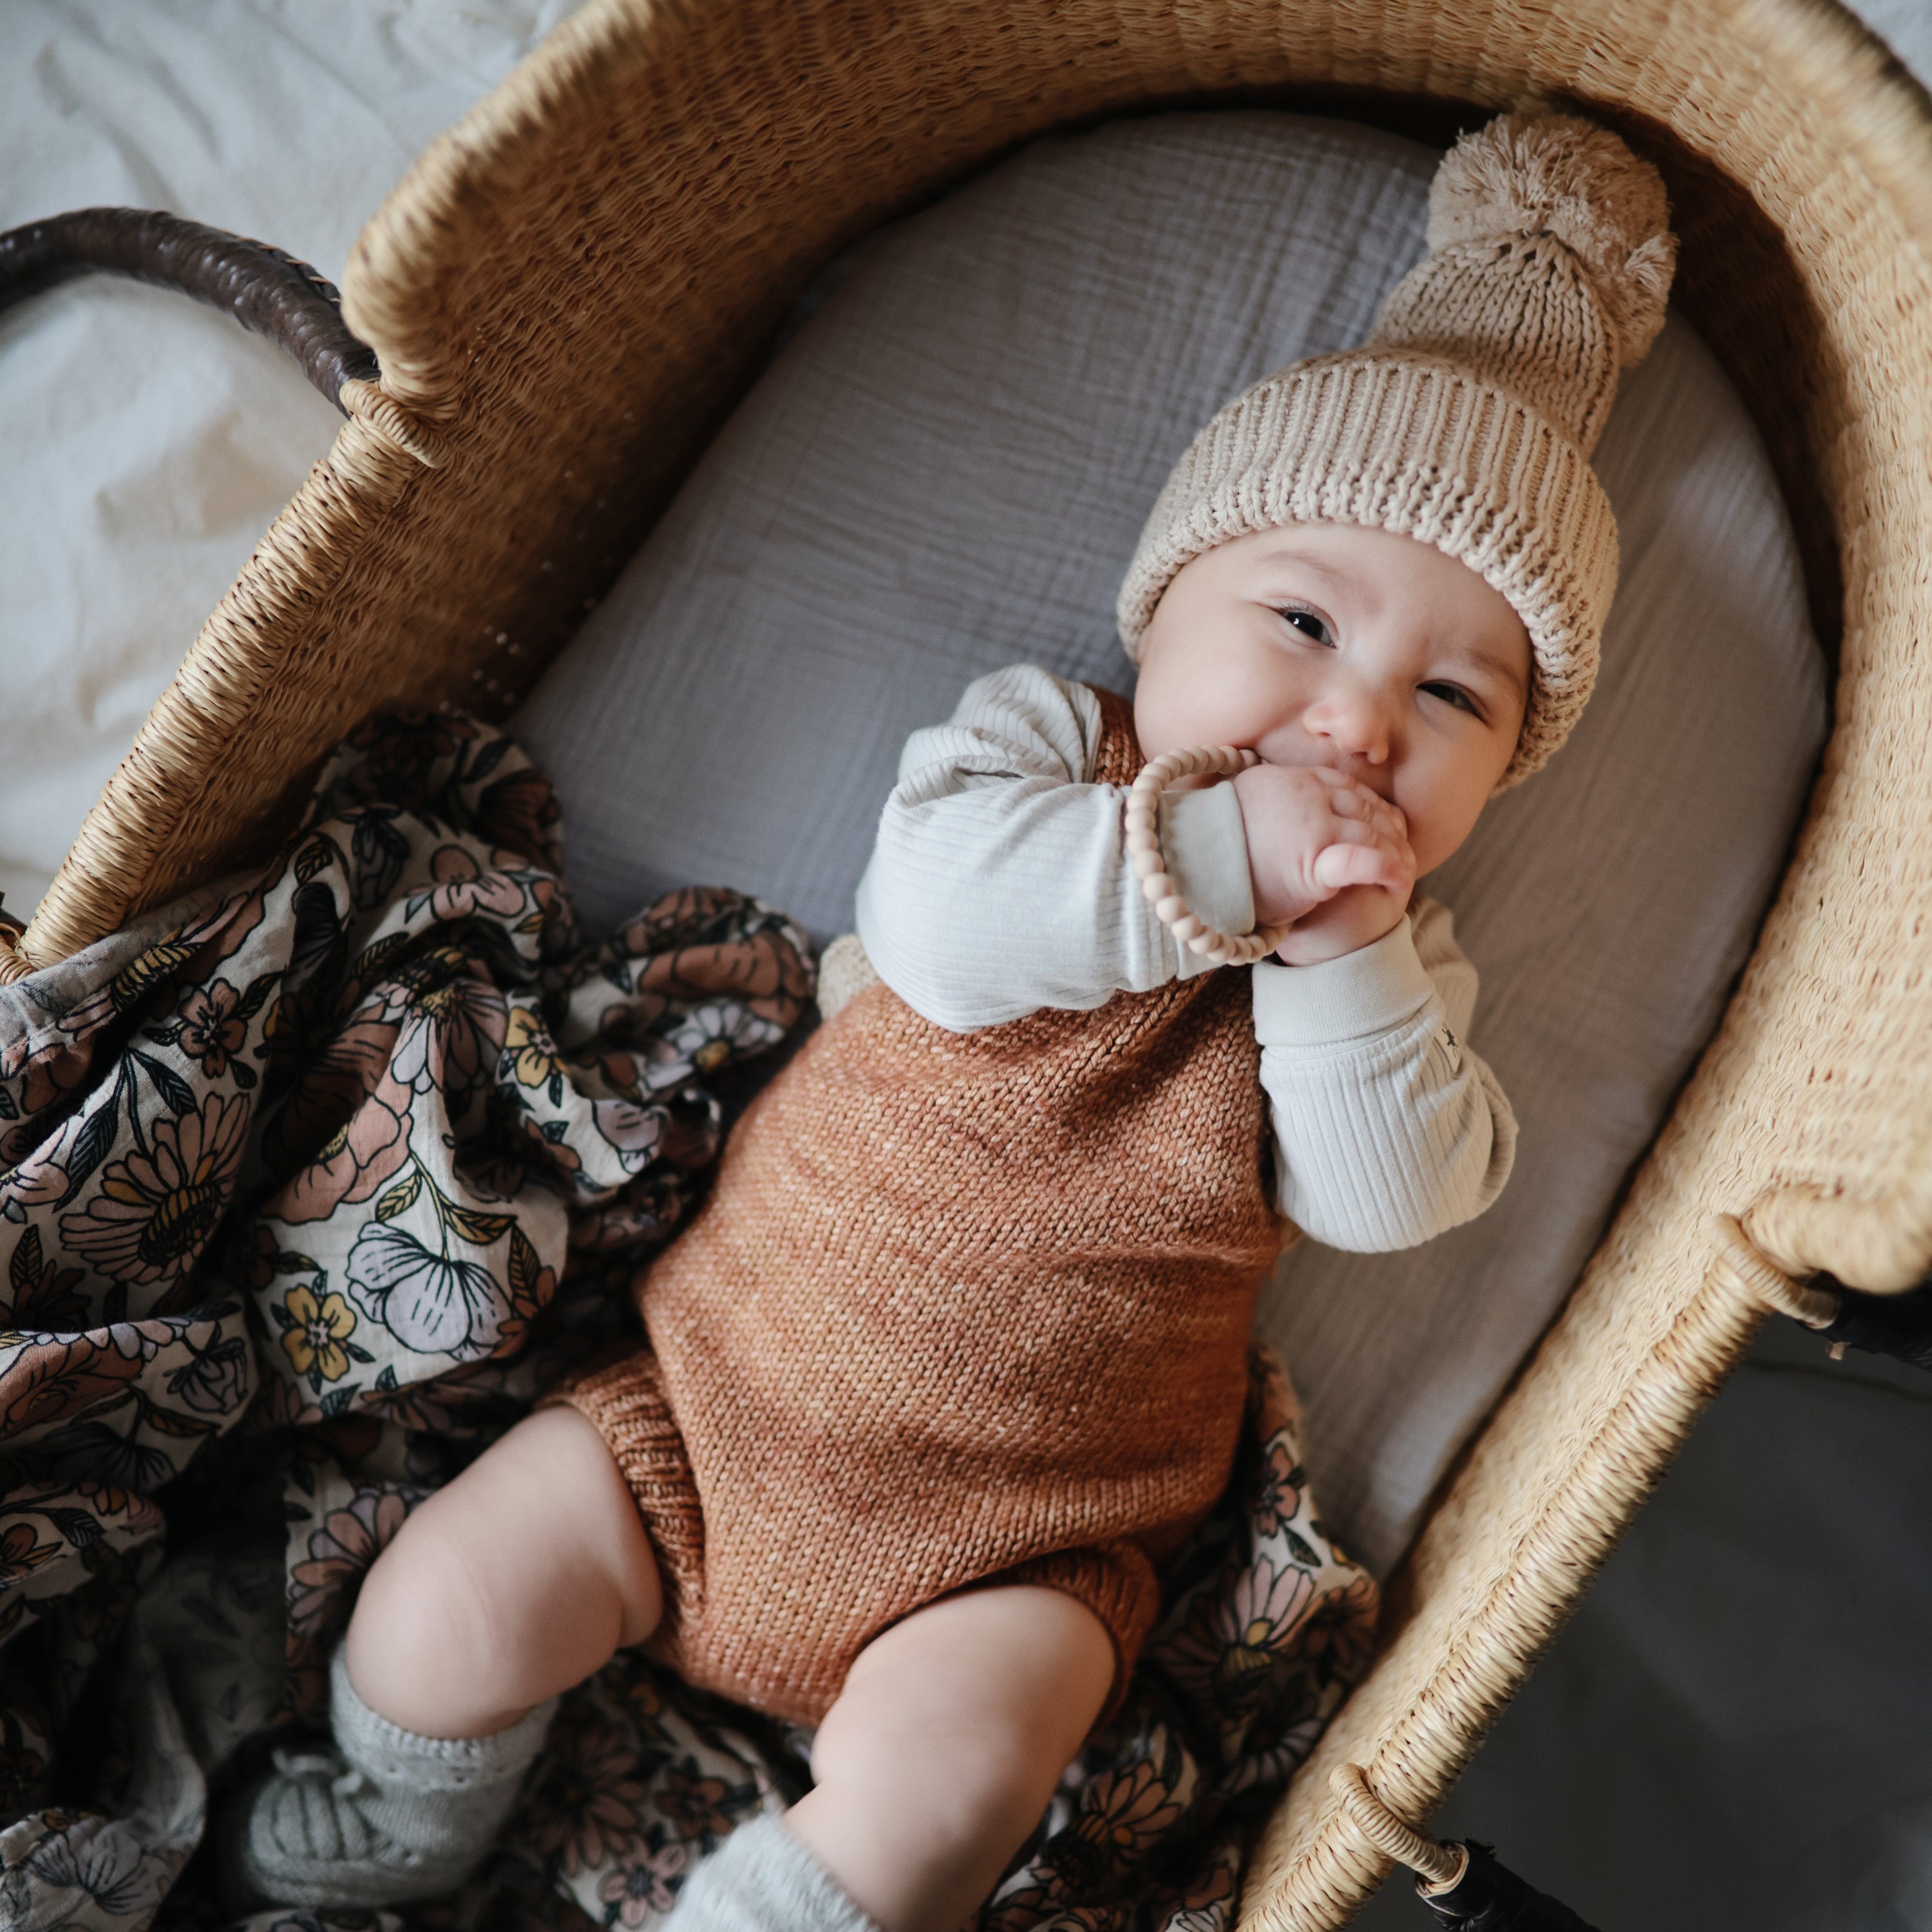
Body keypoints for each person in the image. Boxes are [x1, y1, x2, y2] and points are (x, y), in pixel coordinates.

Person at [225, 111, 1675, 1932]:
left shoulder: (1399, 967)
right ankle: (401, 1808)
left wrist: (1339, 955)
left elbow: (1390, 1194)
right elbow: (939, 923)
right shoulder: (1047, 752)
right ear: (1166, 606)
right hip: (701, 1421)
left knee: (959, 1794)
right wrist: (1221, 855)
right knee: (450, 1601)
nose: (1361, 721)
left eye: (1454, 697)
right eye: (1304, 620)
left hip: (1021, 1564)